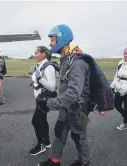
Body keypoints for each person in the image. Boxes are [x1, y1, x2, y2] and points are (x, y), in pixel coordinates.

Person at [37, 24, 91, 166]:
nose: (50, 43)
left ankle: (85, 162)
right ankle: (55, 161)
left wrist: (50, 102)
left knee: (79, 136)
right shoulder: (66, 59)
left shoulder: (77, 62)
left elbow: (73, 93)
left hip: (77, 109)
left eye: (53, 40)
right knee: (59, 132)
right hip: (65, 107)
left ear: (62, 39)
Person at [28, 46, 58, 155]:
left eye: (36, 53)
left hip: (44, 99)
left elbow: (52, 86)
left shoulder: (48, 67)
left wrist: (40, 78)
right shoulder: (40, 65)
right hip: (39, 98)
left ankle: (41, 145)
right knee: (42, 120)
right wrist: (33, 73)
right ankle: (47, 142)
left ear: (44, 53)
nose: (34, 55)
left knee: (35, 121)